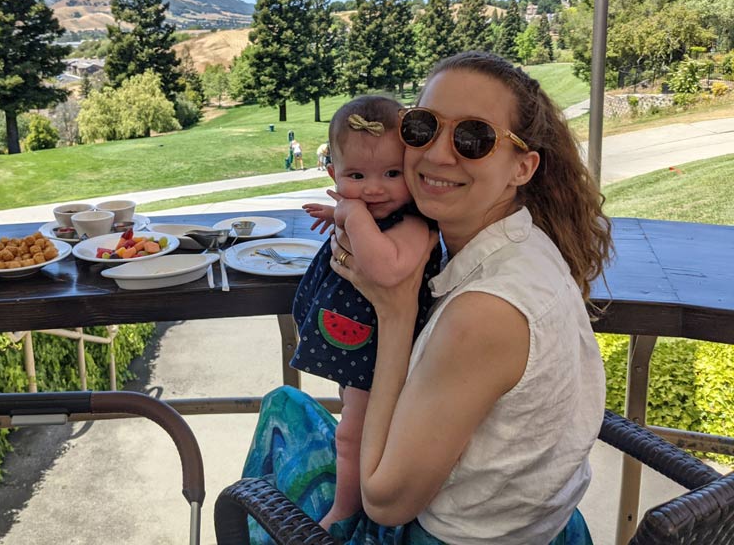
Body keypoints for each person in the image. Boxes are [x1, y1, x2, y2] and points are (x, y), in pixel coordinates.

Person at [243, 51, 612, 545]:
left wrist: (394, 310)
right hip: (538, 523)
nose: (437, 154)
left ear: (522, 168)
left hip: (442, 533)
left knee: (282, 414)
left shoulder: (486, 312)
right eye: (423, 127)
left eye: (473, 138)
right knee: (288, 402)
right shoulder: (526, 244)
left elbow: (385, 501)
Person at [291, 96, 442, 531]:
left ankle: (346, 512)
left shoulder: (413, 223)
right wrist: (340, 212)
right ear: (334, 174)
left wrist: (351, 211)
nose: (375, 189)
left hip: (385, 358)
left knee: (351, 433)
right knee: (352, 415)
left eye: (392, 174)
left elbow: (387, 269)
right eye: (357, 176)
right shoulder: (377, 211)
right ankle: (351, 492)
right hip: (364, 351)